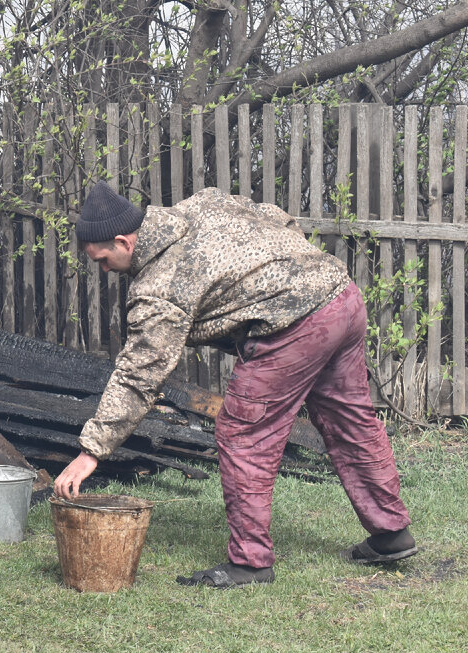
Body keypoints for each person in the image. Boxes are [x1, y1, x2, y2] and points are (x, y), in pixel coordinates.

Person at [52, 181, 416, 588]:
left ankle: (250, 563)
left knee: (243, 431)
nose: (104, 271)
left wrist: (91, 452)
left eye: (103, 260)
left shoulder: (161, 285)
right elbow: (278, 217)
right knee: (350, 418)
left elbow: (139, 374)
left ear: (124, 241)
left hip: (296, 326)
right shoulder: (202, 204)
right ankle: (391, 534)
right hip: (340, 296)